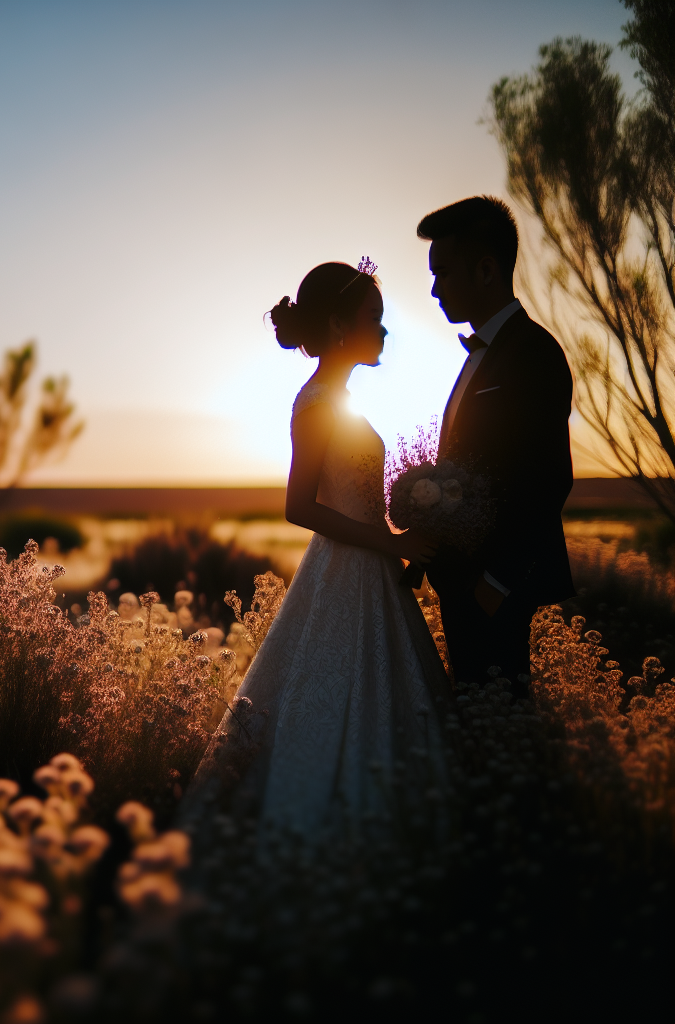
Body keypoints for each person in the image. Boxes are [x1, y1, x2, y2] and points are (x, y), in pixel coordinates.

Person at [179, 260, 451, 844]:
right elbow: (298, 507)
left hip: (370, 566)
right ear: (335, 326)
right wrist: (391, 541)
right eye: (372, 319)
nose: (383, 332)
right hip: (345, 570)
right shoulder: (318, 403)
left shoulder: (338, 399)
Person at [415, 196, 575, 696]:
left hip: (496, 587)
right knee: (472, 710)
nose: (434, 288)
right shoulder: (480, 355)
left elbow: (547, 477)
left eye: (442, 272)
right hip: (462, 580)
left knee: (500, 708)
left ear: (486, 270)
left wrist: (496, 584)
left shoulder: (532, 353)